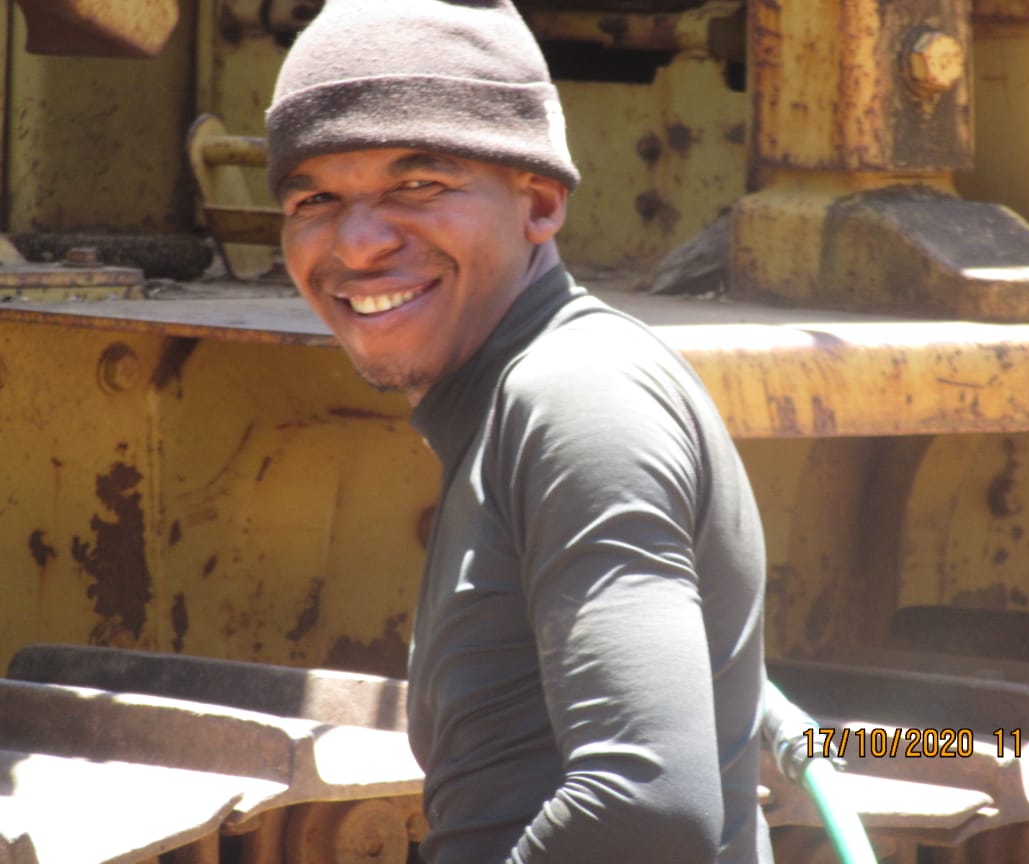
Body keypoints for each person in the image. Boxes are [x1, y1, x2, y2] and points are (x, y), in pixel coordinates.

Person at [265, 1, 772, 861]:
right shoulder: (513, 403)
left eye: (418, 186)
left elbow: (646, 806)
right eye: (315, 198)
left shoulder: (578, 398)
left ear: (538, 203)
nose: (356, 245)